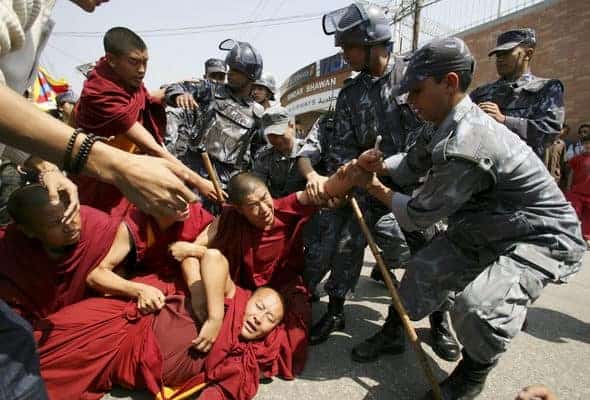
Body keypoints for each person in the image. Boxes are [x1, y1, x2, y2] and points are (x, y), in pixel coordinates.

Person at [350, 37, 584, 399]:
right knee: (423, 270)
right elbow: (413, 162)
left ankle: (473, 371)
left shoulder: (468, 142)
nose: (410, 102)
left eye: (417, 91)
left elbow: (417, 215)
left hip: (540, 235)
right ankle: (397, 331)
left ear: (450, 83)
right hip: (490, 223)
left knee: (477, 307)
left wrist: (375, 188)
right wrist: (381, 164)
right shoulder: (443, 118)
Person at [313, 3, 460, 364]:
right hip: (370, 183)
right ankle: (335, 309)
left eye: (348, 47)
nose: (344, 54)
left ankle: (437, 320)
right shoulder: (351, 93)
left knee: (430, 252)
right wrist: (346, 177)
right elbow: (343, 145)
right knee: (348, 239)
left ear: (373, 44)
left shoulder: (415, 77)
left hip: (420, 187)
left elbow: (439, 132)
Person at [169, 168, 365, 378]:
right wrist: (197, 293)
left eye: (264, 198)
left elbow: (329, 187)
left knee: (292, 341)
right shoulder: (230, 218)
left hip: (284, 287)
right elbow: (183, 252)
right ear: (239, 210)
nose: (264, 209)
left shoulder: (284, 209)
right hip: (245, 288)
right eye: (253, 206)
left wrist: (357, 168)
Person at [36, 249, 286, 400]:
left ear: (272, 330)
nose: (259, 318)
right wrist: (214, 318)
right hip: (133, 322)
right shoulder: (232, 300)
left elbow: (223, 392)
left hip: (129, 358)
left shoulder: (247, 356)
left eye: (269, 319)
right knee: (50, 339)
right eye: (259, 307)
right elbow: (212, 256)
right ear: (248, 299)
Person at [74, 27, 217, 215]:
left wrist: (175, 93)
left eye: (145, 62)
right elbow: (153, 148)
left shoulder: (124, 77)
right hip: (100, 176)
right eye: (134, 62)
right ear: (111, 59)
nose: (141, 70)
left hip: (129, 171)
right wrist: (199, 182)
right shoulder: (101, 93)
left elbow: (147, 100)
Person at [0, 184, 173, 323]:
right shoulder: (10, 247)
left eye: (71, 213)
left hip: (74, 322)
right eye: (55, 223)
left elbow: (107, 274)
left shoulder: (96, 225)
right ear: (29, 231)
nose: (70, 226)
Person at [166, 39, 264, 213]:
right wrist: (179, 94)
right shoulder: (211, 89)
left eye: (236, 70)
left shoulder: (258, 113)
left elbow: (257, 153)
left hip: (227, 183)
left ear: (251, 76)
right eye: (230, 68)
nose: (230, 73)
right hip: (194, 170)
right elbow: (177, 86)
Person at [470, 28, 565, 159]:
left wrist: (504, 120)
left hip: (521, 172)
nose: (500, 59)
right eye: (498, 55)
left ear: (528, 54)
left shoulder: (546, 88)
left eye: (507, 53)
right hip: (482, 171)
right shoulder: (481, 93)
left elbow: (550, 131)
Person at [252, 106, 306, 198]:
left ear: (291, 126)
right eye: (272, 135)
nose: (278, 140)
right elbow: (259, 188)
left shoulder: (307, 151)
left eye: (280, 133)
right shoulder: (264, 157)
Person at [565, 136, 590, 247]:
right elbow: (571, 174)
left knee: (588, 217)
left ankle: (587, 237)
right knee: (573, 214)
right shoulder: (577, 158)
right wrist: (569, 188)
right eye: (586, 144)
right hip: (576, 193)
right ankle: (570, 236)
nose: (588, 146)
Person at [544, 123, 569, 191]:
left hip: (555, 176)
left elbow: (563, 161)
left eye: (560, 130)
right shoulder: (544, 141)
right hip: (543, 174)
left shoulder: (561, 144)